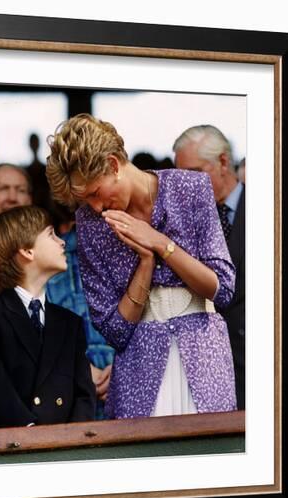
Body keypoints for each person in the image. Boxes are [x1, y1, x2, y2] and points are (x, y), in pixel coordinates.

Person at [46, 113, 237, 419]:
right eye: (85, 201)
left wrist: (160, 244)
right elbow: (115, 331)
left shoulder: (190, 188)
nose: (96, 207)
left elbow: (223, 288)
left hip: (204, 357)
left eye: (95, 193)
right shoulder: (90, 224)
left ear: (112, 165)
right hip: (138, 369)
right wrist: (145, 263)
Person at [0, 205, 96, 429]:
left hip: (64, 449)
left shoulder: (70, 323)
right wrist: (31, 435)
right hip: (11, 449)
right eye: (51, 234)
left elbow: (84, 395)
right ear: (27, 251)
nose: (62, 242)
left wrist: (73, 442)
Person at [173, 125, 246, 409]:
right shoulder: (183, 222)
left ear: (224, 163)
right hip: (206, 369)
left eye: (193, 173)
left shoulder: (273, 207)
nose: (184, 185)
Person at [46, 203, 114, 418]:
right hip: (71, 397)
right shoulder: (53, 257)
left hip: (131, 384)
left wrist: (124, 369)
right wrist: (80, 371)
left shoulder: (138, 251)